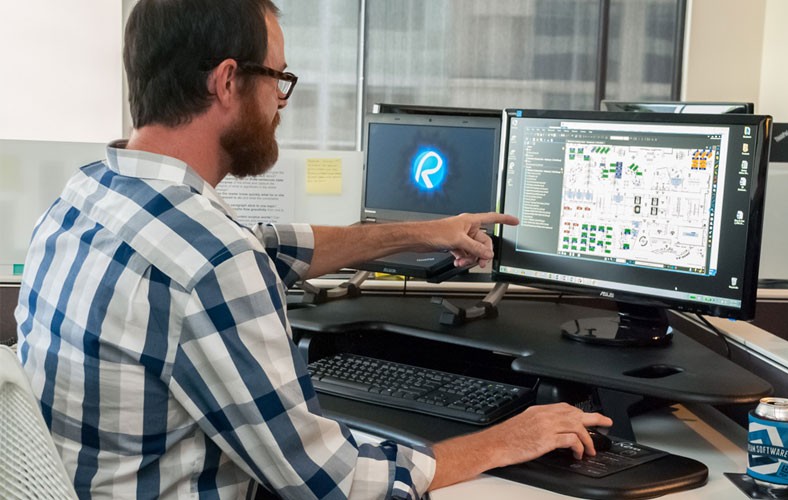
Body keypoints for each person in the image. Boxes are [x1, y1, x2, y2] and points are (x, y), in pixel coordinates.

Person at [15, 0, 612, 498]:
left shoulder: (85, 196)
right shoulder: (213, 262)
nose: (281, 101)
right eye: (278, 78)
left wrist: (422, 231)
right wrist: (504, 440)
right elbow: (331, 481)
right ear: (227, 81)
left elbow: (266, 249)